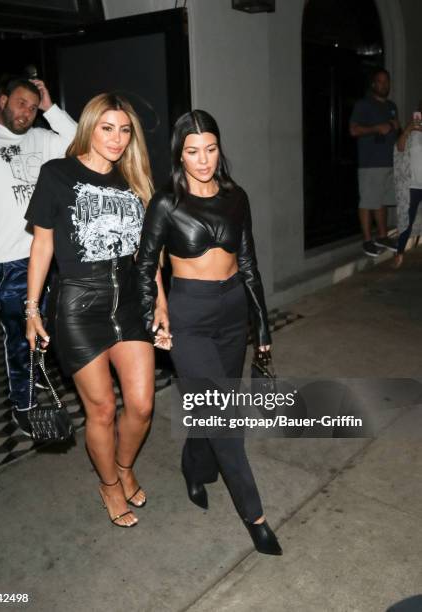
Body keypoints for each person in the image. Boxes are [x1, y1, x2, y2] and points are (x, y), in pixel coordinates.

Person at [136, 109, 282, 555]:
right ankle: (255, 517)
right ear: (180, 154)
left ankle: (191, 464)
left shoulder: (237, 198)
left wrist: (261, 326)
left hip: (233, 311)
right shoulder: (166, 202)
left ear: (220, 149)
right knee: (225, 420)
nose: (203, 160)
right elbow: (145, 266)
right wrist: (154, 314)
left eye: (211, 149)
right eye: (193, 151)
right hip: (190, 315)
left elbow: (250, 265)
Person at [24, 92, 169, 528]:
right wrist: (31, 308)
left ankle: (124, 467)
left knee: (141, 405)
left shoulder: (134, 181)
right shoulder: (58, 175)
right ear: (89, 127)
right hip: (78, 306)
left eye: (125, 130)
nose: (117, 138)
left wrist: (160, 301)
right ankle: (109, 484)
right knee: (102, 408)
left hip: (129, 303)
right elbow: (42, 244)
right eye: (108, 128)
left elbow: (148, 256)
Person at [0, 76, 76, 434]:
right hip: (1, 258)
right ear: (2, 101)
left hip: (44, 252)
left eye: (32, 106)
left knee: (46, 323)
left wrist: (51, 108)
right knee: (20, 331)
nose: (26, 112)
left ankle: (34, 372)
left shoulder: (42, 140)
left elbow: (80, 142)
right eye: (21, 103)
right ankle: (23, 406)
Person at [350, 68, 400, 257]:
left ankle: (382, 235)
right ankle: (366, 240)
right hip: (370, 163)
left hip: (388, 162)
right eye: (380, 81)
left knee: (382, 201)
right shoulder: (363, 105)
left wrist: (396, 127)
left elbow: (394, 133)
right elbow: (354, 130)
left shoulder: (391, 106)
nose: (384, 85)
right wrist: (377, 128)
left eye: (386, 82)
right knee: (368, 201)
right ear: (373, 84)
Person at [392, 105, 422, 268]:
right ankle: (399, 252)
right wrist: (408, 129)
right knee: (407, 221)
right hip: (414, 186)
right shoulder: (412, 133)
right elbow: (400, 148)